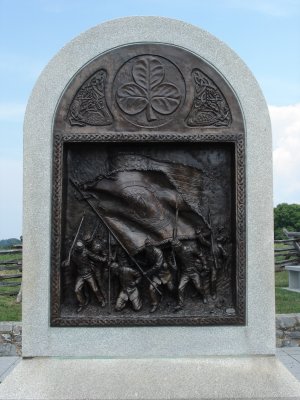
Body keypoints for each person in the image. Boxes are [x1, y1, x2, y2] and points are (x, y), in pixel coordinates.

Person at [62, 240, 106, 312]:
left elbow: (94, 256)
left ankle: (101, 300)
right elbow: (65, 264)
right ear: (77, 248)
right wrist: (65, 263)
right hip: (80, 274)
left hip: (88, 273)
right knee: (77, 290)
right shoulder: (72, 254)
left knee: (95, 289)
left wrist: (103, 259)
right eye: (80, 248)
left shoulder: (85, 251)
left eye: (82, 248)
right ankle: (82, 303)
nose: (82, 249)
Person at [172, 238, 208, 310]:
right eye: (174, 248)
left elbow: (200, 254)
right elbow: (174, 261)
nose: (175, 249)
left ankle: (204, 296)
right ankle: (180, 304)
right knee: (180, 288)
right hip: (185, 273)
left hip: (193, 271)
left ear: (178, 246)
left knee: (198, 286)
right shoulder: (176, 252)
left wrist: (204, 264)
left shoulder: (189, 249)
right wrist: (172, 262)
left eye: (175, 248)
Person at [143, 238, 175, 313]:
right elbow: (147, 263)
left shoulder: (158, 252)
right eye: (146, 246)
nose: (147, 247)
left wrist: (148, 272)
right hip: (156, 274)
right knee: (151, 288)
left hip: (164, 272)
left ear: (152, 245)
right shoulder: (148, 252)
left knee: (171, 288)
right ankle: (155, 304)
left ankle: (175, 298)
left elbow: (158, 265)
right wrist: (138, 262)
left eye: (149, 246)